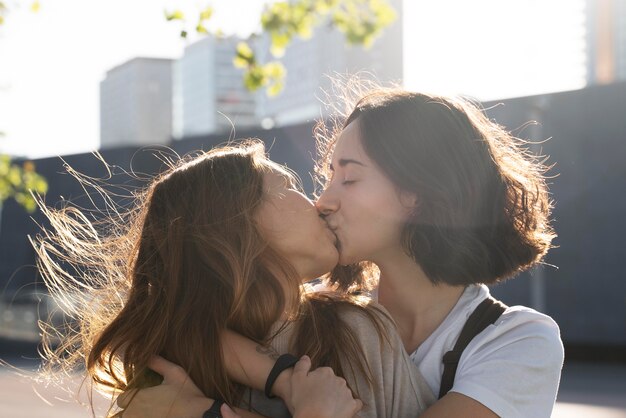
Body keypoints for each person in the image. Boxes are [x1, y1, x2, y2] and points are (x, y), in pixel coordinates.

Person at [122, 86, 564, 418]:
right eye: (328, 176)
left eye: (348, 179)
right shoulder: (312, 321)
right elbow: (185, 320)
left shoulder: (516, 340)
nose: (323, 200)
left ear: (418, 193)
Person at [36, 141, 434, 418]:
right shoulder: (163, 373)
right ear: (236, 227)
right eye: (288, 185)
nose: (318, 202)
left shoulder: (360, 329)